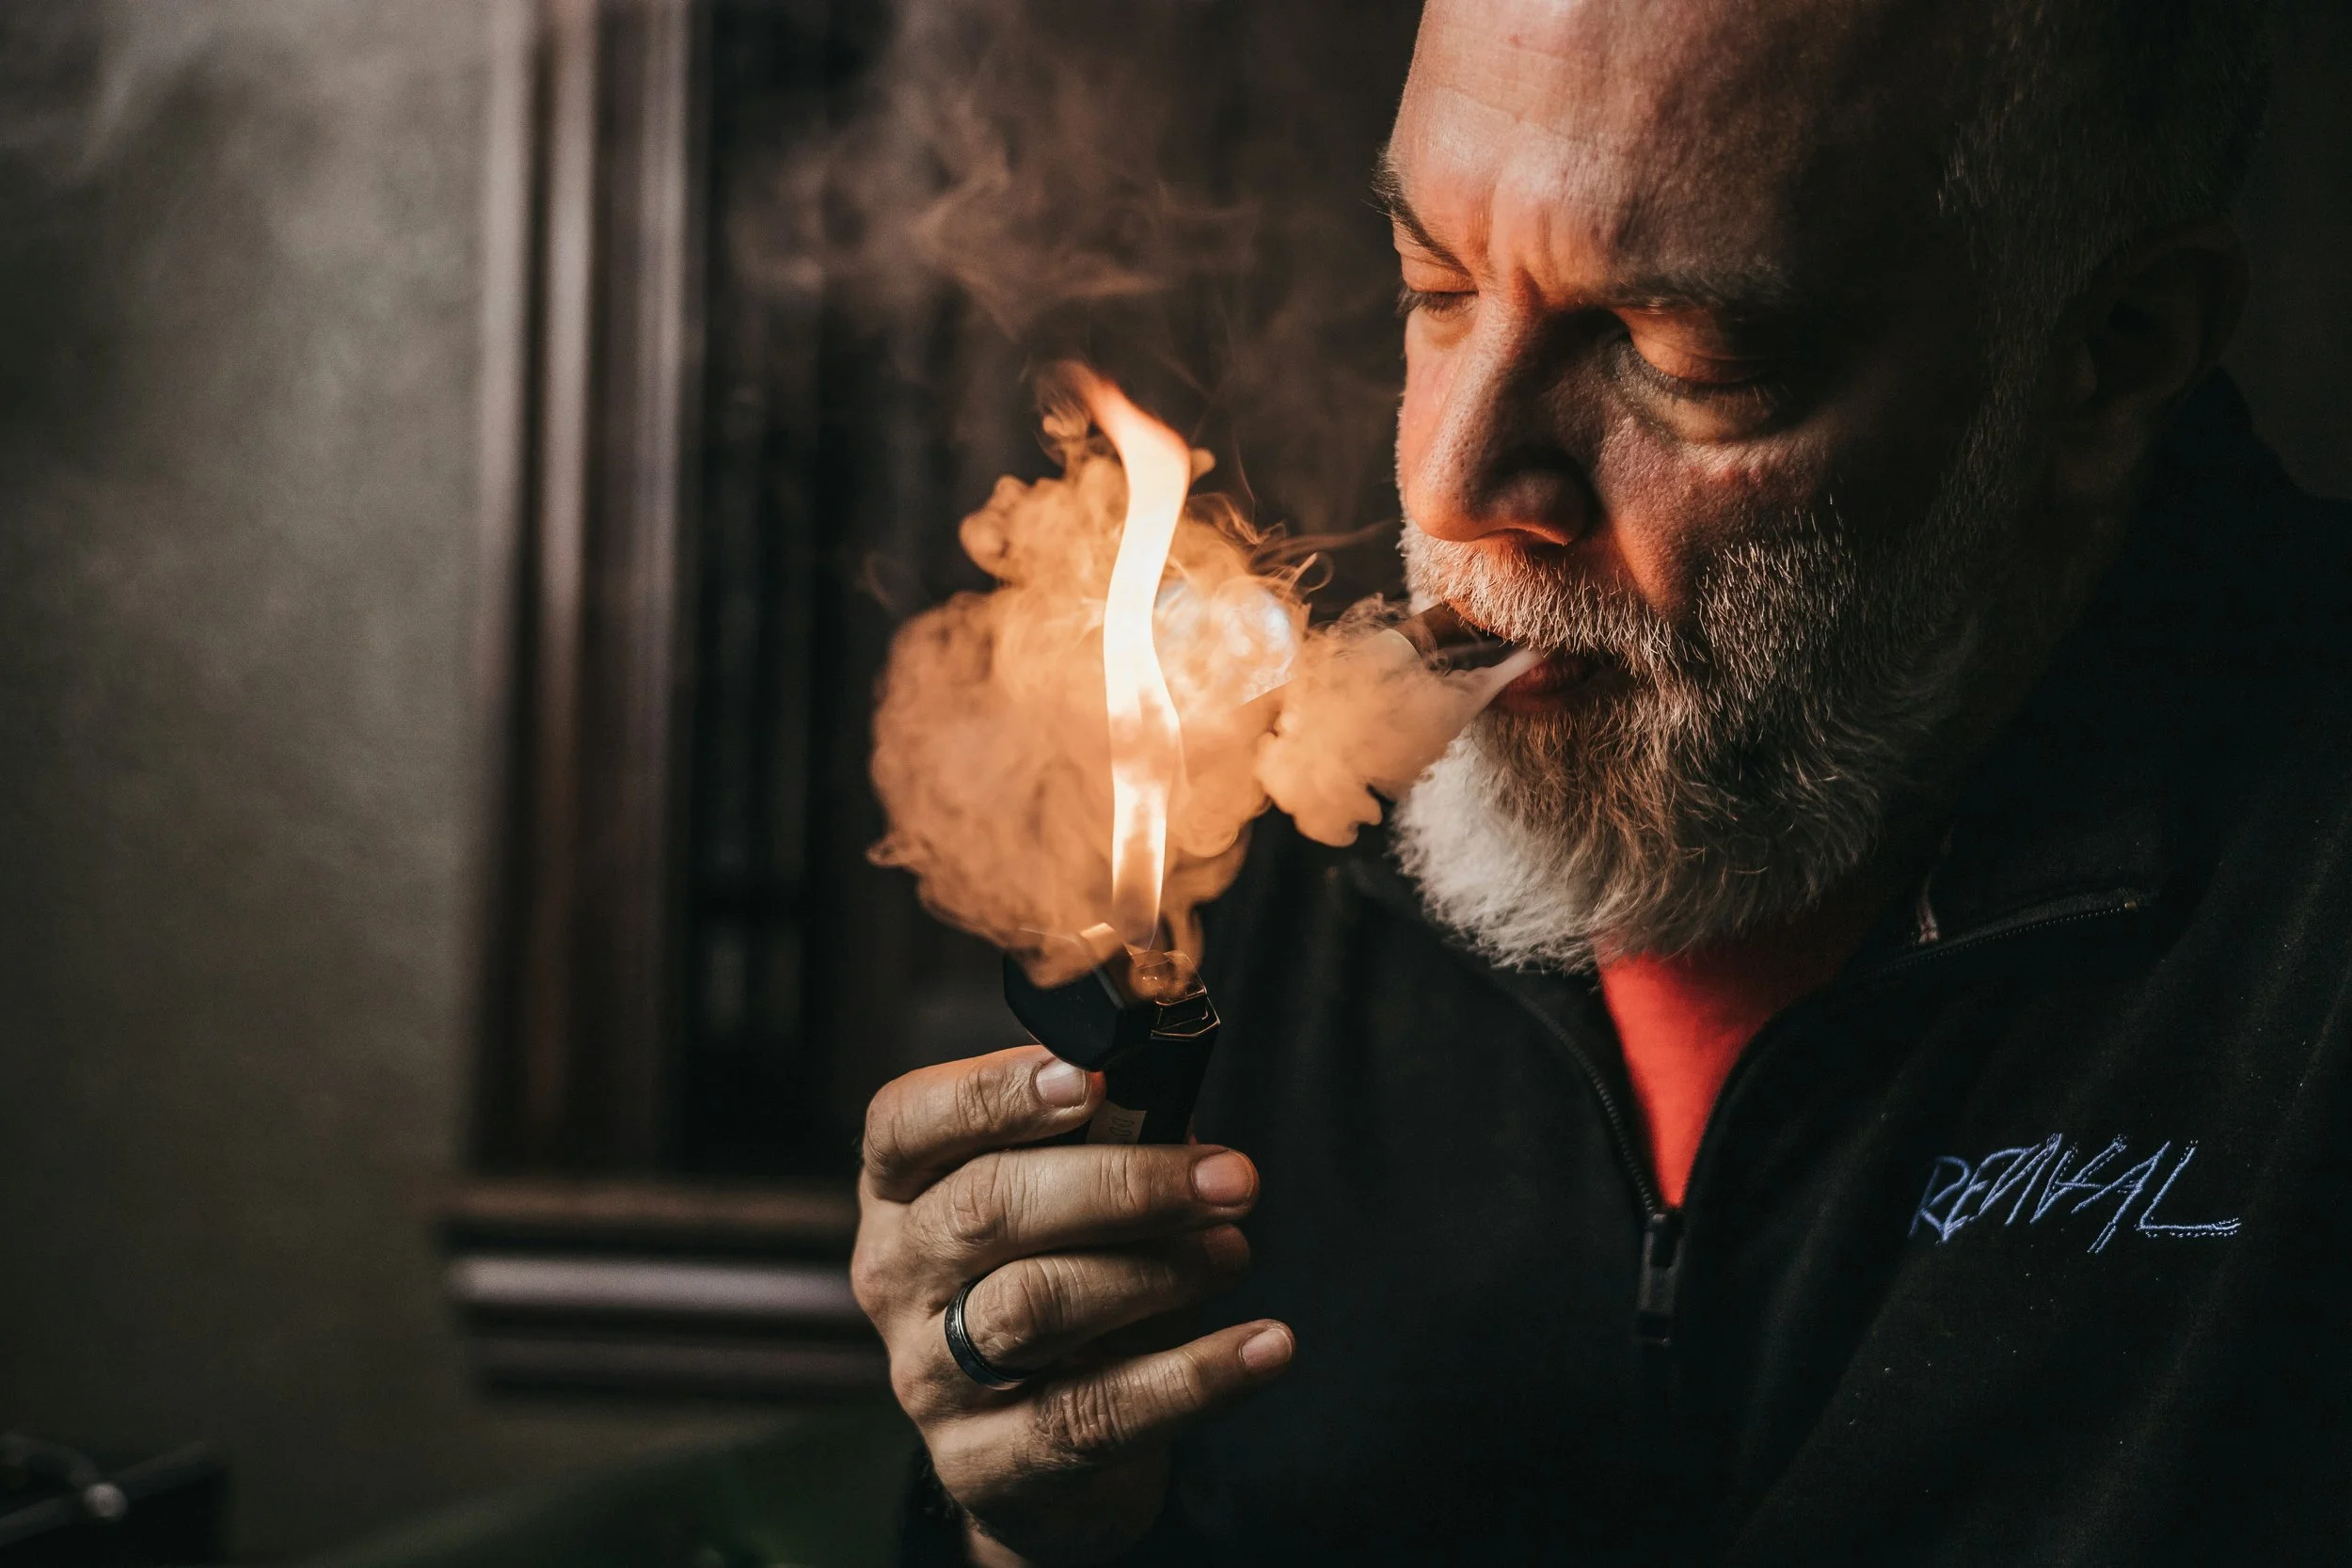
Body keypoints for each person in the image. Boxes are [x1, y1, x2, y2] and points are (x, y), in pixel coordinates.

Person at [853, 0, 2340, 1562]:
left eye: (1675, 346)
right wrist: (1042, 1527)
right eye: (1435, 286)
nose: (1456, 484)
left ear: (2113, 355)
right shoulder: (1263, 862)